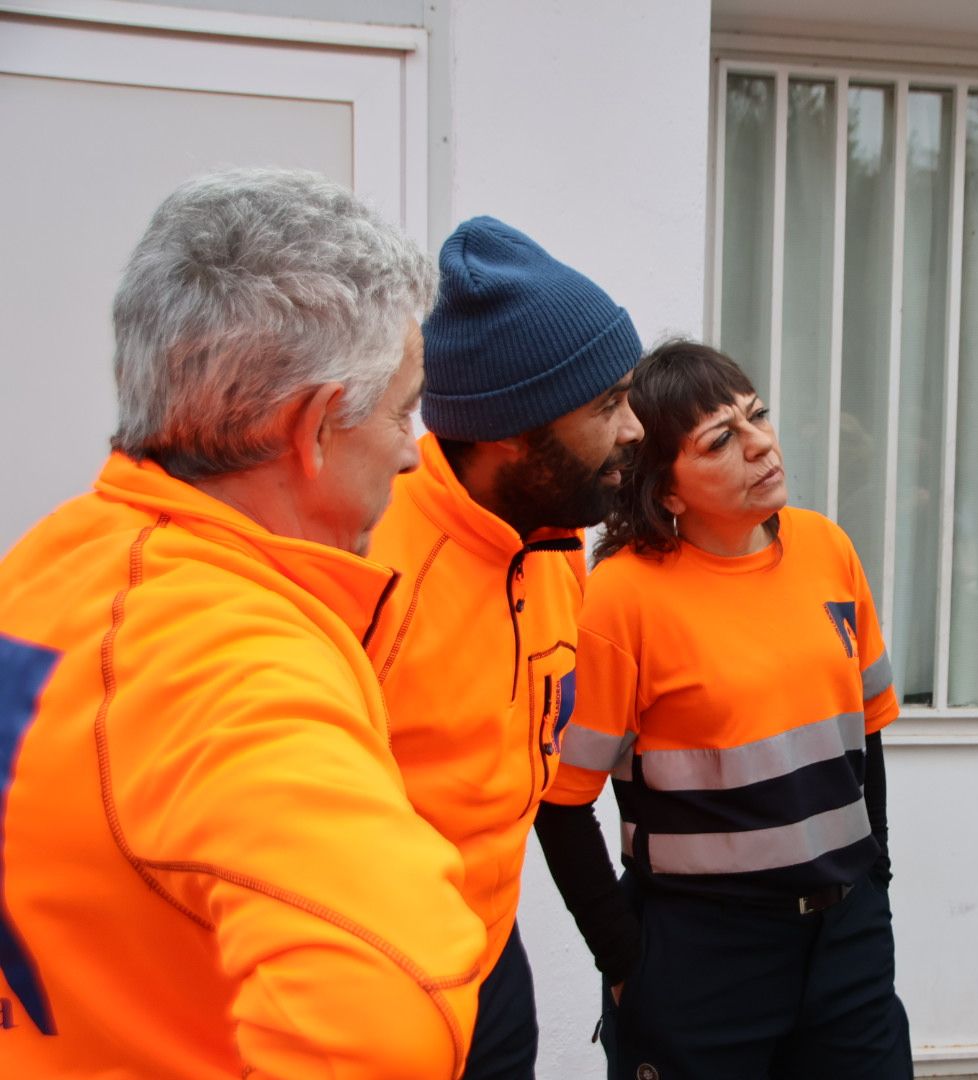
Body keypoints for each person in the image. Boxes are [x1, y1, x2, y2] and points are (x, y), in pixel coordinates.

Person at [0, 169, 486, 1076]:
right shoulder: (232, 663)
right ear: (311, 430)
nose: (414, 454)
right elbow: (386, 1021)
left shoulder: (48, 565)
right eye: (403, 411)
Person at [536, 340, 912, 1079]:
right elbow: (559, 801)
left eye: (757, 417)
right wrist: (625, 961)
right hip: (702, 957)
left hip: (848, 944)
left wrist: (877, 880)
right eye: (721, 440)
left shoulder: (826, 548)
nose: (762, 445)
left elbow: (866, 738)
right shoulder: (621, 596)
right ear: (667, 490)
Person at [366, 215, 644, 1078]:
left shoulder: (556, 544)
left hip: (489, 964)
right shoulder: (367, 558)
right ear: (507, 434)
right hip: (375, 981)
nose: (635, 428)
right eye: (607, 406)